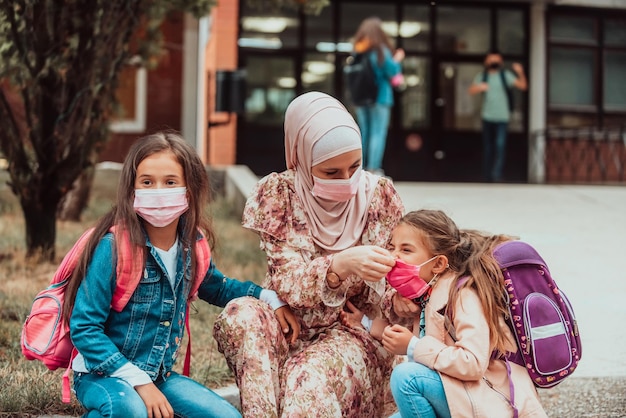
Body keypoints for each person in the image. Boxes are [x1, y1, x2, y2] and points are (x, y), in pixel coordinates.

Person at [64, 131, 299, 418]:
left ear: (189, 189)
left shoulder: (191, 247)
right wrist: (139, 382)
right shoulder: (112, 248)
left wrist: (270, 298)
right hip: (103, 374)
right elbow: (85, 328)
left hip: (158, 376)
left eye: (170, 182)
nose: (158, 191)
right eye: (147, 182)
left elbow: (219, 288)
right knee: (131, 411)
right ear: (132, 189)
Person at [213, 91, 408, 417]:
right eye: (331, 172)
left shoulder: (378, 197)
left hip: (350, 332)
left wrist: (394, 302)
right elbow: (287, 281)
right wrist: (339, 265)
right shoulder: (280, 194)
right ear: (299, 158)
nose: (347, 181)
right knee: (241, 315)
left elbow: (394, 284)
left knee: (307, 377)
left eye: (355, 167)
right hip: (287, 323)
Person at [344, 209, 547, 417]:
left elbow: (473, 364)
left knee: (406, 377)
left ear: (438, 264)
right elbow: (421, 341)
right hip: (460, 393)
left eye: (406, 250)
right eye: (392, 247)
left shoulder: (463, 295)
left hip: (490, 400)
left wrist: (413, 346)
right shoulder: (427, 294)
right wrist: (366, 322)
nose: (394, 256)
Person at [351, 16, 405, 177]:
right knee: (378, 132)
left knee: (363, 132)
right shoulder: (380, 49)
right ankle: (373, 169)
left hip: (360, 97)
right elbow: (392, 72)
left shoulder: (357, 49)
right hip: (380, 96)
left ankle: (358, 169)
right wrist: (397, 60)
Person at [468, 51, 527, 183]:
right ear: (486, 62)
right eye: (491, 60)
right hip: (487, 116)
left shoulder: (505, 76)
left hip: (502, 117)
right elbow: (471, 90)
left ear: (500, 62)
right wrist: (480, 87)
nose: (493, 62)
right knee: (488, 147)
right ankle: (487, 175)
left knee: (500, 146)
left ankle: (497, 175)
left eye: (496, 60)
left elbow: (523, 86)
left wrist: (520, 72)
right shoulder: (482, 76)